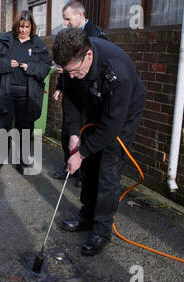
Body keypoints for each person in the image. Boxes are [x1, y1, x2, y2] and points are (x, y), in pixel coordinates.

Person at [52, 28, 145, 256]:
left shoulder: (117, 71)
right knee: (90, 166)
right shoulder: (71, 63)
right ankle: (87, 215)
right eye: (67, 72)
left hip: (121, 116)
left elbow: (112, 125)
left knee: (108, 171)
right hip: (94, 102)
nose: (70, 76)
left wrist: (80, 153)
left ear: (89, 56)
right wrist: (74, 133)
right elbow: (71, 99)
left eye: (74, 71)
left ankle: (101, 230)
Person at [0, 10, 52, 174]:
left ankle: (21, 159)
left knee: (25, 128)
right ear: (17, 26)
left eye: (27, 27)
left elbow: (46, 66)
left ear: (32, 27)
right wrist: (7, 64)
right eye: (21, 26)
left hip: (28, 94)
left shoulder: (37, 44)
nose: (24, 30)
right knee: (3, 126)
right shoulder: (5, 41)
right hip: (6, 91)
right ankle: (0, 156)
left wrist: (30, 67)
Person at [53, 1, 108, 184]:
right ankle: (70, 168)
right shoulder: (67, 37)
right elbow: (67, 66)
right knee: (69, 132)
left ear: (80, 15)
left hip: (90, 96)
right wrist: (61, 86)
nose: (66, 23)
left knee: (86, 134)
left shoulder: (96, 36)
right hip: (73, 92)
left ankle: (85, 173)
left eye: (68, 19)